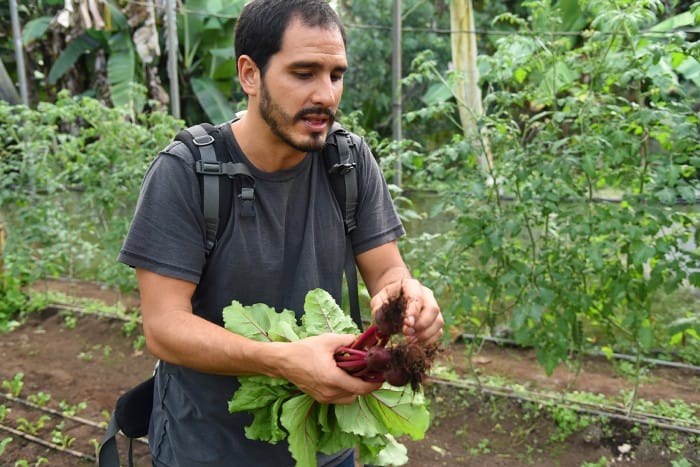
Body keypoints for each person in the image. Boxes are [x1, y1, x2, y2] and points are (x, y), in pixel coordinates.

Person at [118, 0, 444, 466]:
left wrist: (408, 300)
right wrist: (281, 359)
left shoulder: (348, 161)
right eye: (304, 73)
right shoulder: (189, 172)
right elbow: (165, 327)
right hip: (207, 450)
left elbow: (387, 269)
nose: (326, 95)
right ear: (250, 74)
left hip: (325, 446)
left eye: (336, 75)